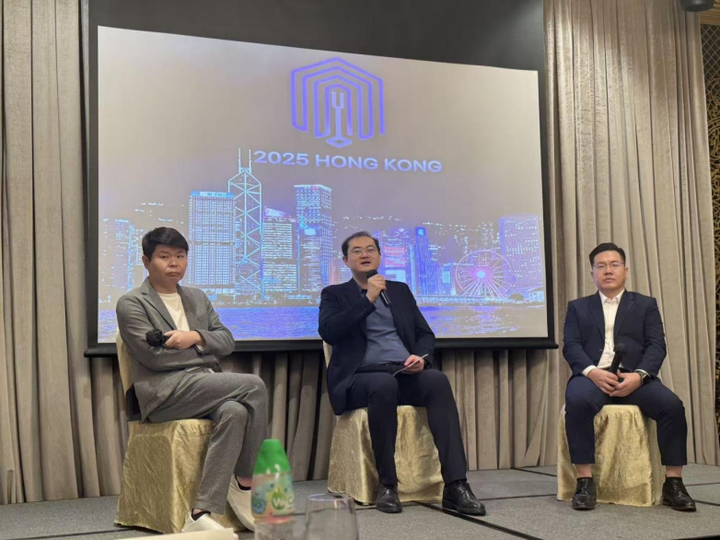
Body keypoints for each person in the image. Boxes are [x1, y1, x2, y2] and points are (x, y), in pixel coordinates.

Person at [318, 231, 485, 515]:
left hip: (402, 372)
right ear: (345, 260)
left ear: (379, 256)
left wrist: (422, 358)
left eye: (370, 249)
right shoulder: (334, 294)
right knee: (382, 384)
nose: (365, 254)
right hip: (360, 378)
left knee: (437, 380)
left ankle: (456, 485)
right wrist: (368, 298)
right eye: (357, 251)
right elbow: (329, 331)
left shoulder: (399, 291)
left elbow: (424, 334)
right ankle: (387, 486)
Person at [116, 227, 268, 532]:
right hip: (164, 393)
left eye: (180, 256)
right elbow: (154, 359)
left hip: (203, 386)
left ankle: (200, 512)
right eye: (164, 257)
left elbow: (227, 341)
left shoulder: (197, 297)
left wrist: (194, 337)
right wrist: (205, 352)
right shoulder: (131, 303)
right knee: (254, 385)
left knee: (235, 411)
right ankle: (246, 480)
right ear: (146, 261)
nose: (174, 263)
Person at [563, 242, 695, 511]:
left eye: (614, 265)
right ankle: (585, 482)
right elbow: (571, 346)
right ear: (592, 273)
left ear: (625, 270)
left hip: (635, 378)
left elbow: (656, 345)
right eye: (601, 266)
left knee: (672, 406)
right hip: (593, 377)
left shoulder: (645, 304)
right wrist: (592, 372)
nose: (608, 270)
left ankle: (674, 483)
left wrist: (640, 375)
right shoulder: (578, 307)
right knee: (576, 401)